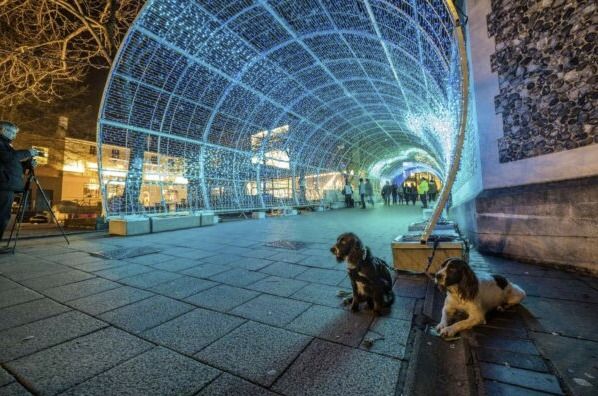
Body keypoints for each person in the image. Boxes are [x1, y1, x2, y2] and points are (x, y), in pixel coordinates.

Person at [0, 121, 39, 248]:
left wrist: (27, 165)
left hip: (7, 185)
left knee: (3, 216)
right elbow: (9, 158)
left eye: (15, 133)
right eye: (10, 131)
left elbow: (12, 164)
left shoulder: (7, 146)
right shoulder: (2, 145)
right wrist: (28, 152)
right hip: (3, 185)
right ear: (2, 130)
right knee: (1, 216)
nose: (13, 135)